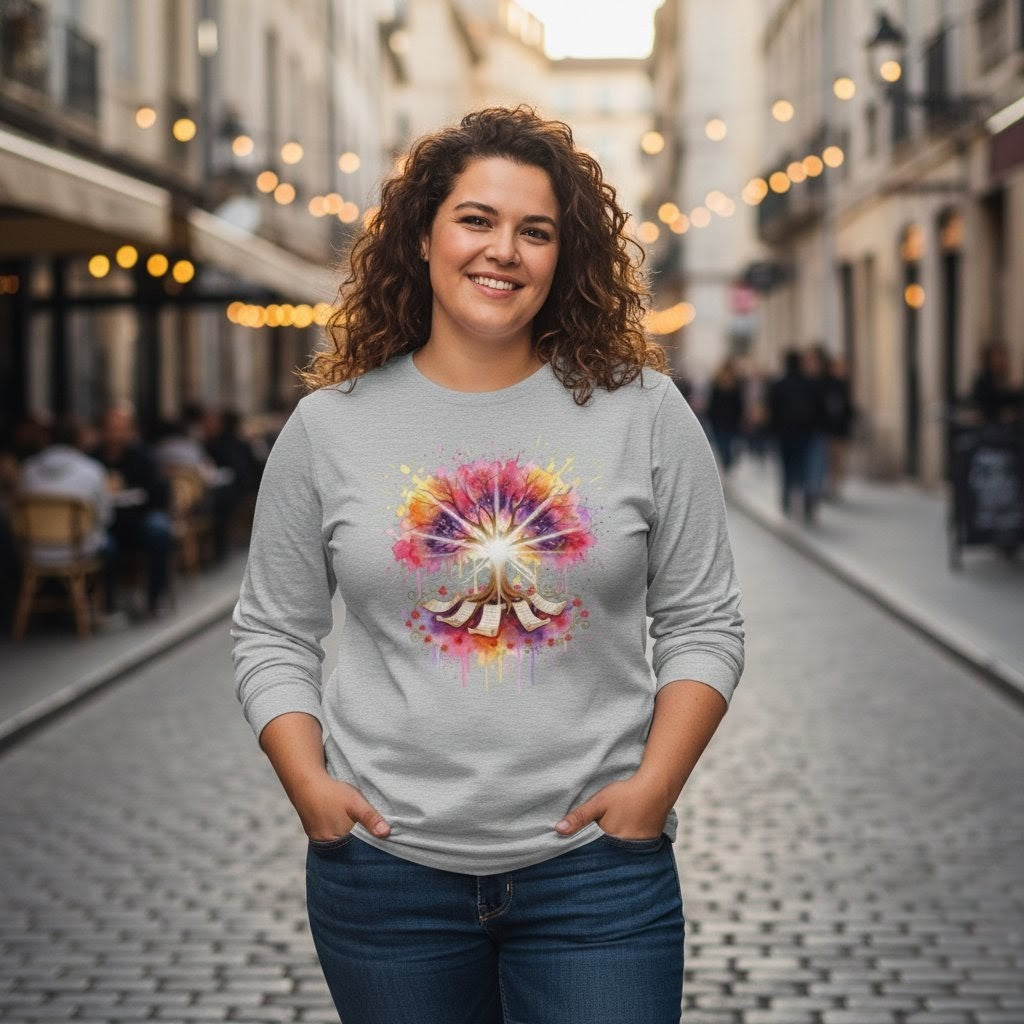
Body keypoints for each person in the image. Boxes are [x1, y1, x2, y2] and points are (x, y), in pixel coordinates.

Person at [231, 106, 745, 1024]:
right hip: (386, 884)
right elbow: (272, 629)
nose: (502, 250)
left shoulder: (646, 412)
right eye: (477, 219)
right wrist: (308, 782)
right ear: (423, 234)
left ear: (564, 256)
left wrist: (654, 789)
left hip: (598, 881)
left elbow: (705, 622)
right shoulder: (331, 426)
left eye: (535, 231)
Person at [18, 416, 118, 616]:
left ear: (47, 440)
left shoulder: (28, 469)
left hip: (33, 552)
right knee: (109, 546)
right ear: (78, 441)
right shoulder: (92, 470)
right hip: (79, 551)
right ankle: (106, 609)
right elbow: (105, 517)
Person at [91, 403, 172, 617]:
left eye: (122, 428)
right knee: (102, 544)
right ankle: (107, 606)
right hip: (106, 523)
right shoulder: (93, 459)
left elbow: (161, 494)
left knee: (159, 529)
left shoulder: (145, 457)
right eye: (112, 428)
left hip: (138, 519)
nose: (116, 434)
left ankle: (155, 598)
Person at [768, 347, 822, 521]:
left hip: (784, 434)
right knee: (804, 467)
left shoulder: (779, 384)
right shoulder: (810, 384)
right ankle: (805, 499)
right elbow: (817, 409)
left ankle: (786, 501)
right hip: (805, 433)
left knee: (786, 468)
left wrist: (772, 432)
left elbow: (772, 410)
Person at [706, 355, 747, 473]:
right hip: (722, 422)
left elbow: (739, 405)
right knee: (723, 447)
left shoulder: (736, 385)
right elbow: (713, 404)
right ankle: (726, 467)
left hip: (728, 422)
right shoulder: (718, 385)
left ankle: (726, 467)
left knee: (726, 448)